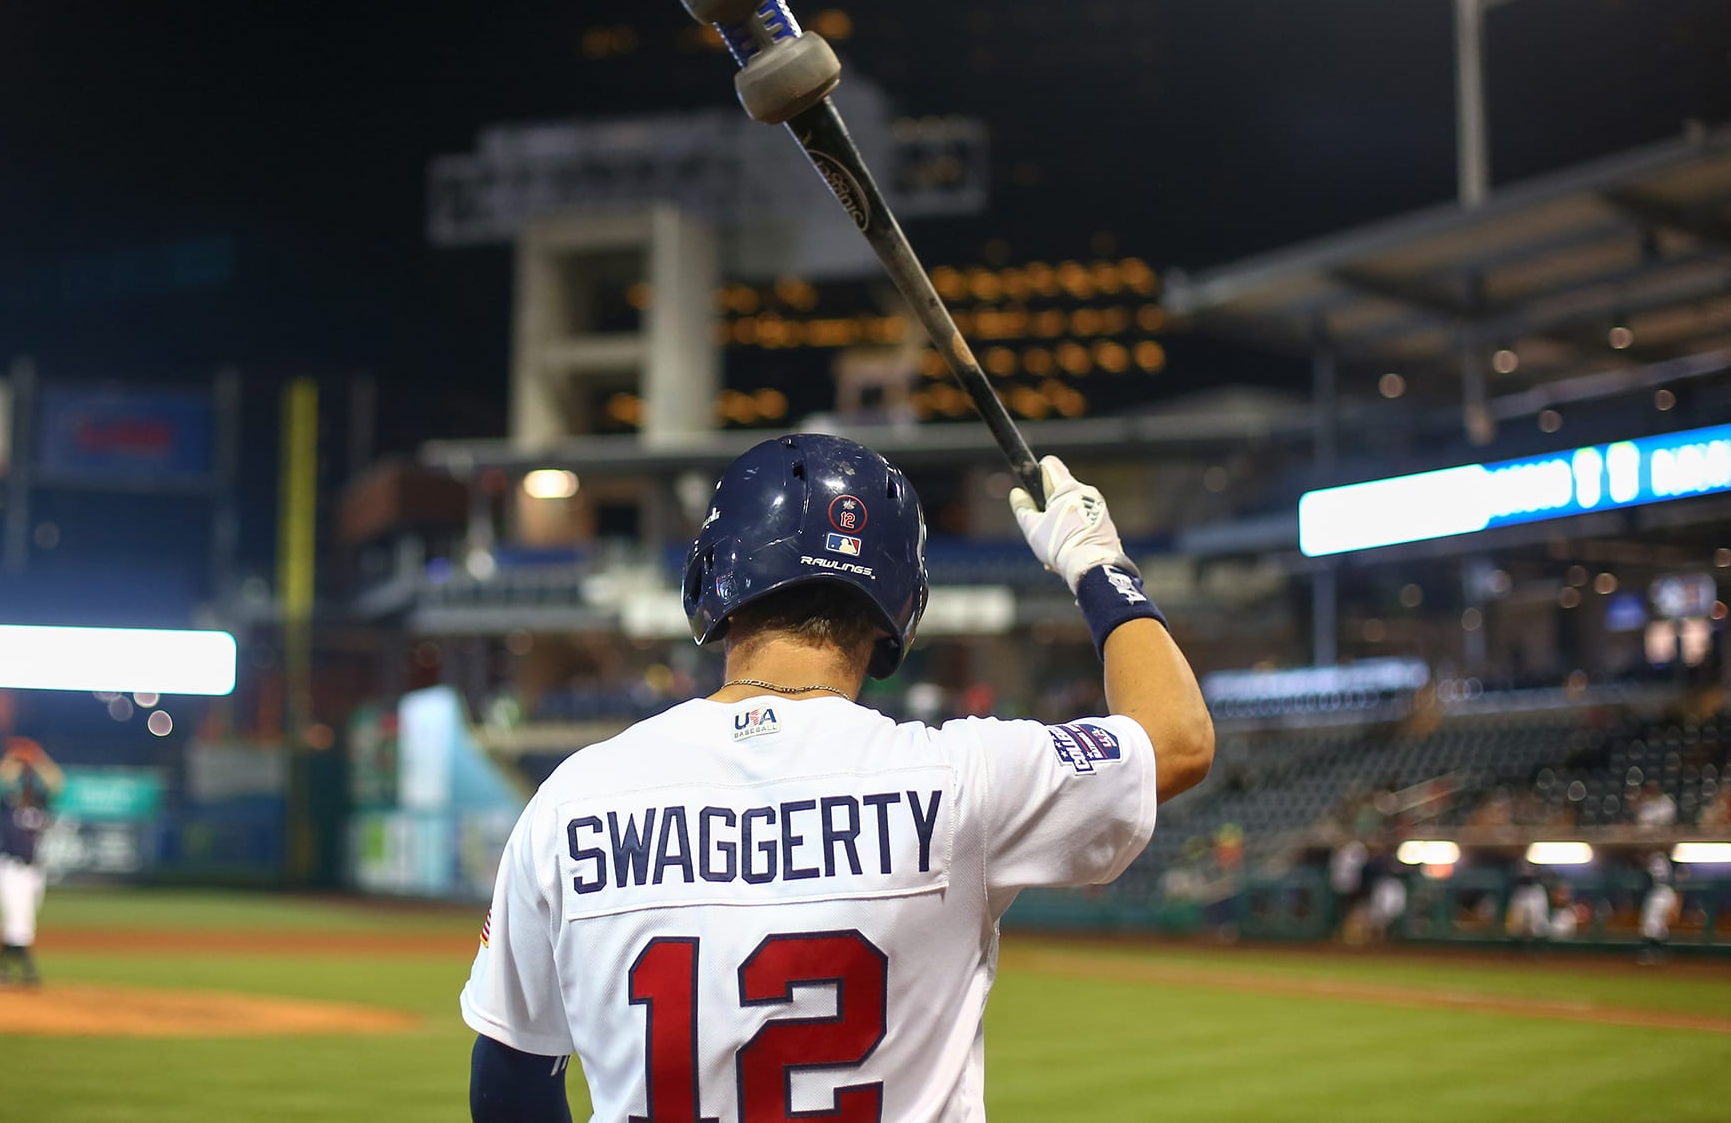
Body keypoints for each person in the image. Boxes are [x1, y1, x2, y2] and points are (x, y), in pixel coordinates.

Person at [461, 437, 1214, 1121]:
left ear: (711, 577)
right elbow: (1177, 738)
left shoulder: (573, 799)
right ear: (901, 613)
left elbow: (508, 1088)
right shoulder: (960, 779)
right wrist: (1099, 566)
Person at [0, 737, 63, 987]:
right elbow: (2, 778)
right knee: (21, 922)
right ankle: (30, 972)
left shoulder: (39, 804)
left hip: (34, 872)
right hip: (10, 868)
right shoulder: (7, 804)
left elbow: (56, 783)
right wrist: (15, 756)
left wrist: (37, 757)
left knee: (12, 922)